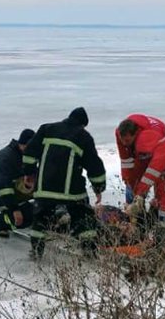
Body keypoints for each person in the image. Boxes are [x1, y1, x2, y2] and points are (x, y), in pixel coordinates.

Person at [22, 107, 107, 258]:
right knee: (83, 218)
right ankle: (89, 251)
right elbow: (94, 165)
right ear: (82, 124)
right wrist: (99, 187)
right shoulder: (84, 137)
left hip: (45, 188)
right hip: (71, 191)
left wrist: (28, 173)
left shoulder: (46, 129)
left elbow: (30, 152)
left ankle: (36, 251)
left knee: (41, 219)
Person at [0, 128, 37, 237]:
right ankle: (2, 221)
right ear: (23, 145)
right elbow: (3, 188)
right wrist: (15, 210)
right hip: (3, 199)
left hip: (19, 193)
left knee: (43, 212)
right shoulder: (5, 158)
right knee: (25, 219)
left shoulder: (26, 156)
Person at [115, 114, 165, 203]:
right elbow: (125, 160)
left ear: (135, 134)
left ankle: (157, 208)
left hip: (164, 143)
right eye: (122, 140)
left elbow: (152, 170)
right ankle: (135, 207)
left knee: (161, 185)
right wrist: (128, 182)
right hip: (145, 142)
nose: (124, 143)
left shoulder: (146, 141)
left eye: (127, 141)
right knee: (132, 187)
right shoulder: (121, 133)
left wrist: (140, 192)